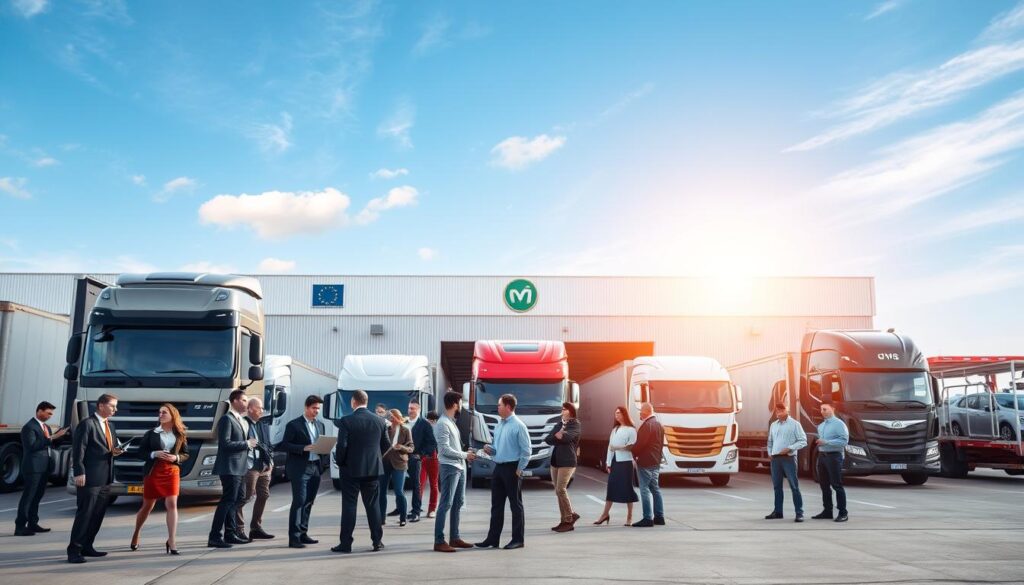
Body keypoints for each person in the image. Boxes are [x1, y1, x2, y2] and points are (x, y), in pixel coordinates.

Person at [67, 393, 124, 564]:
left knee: (97, 515)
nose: (116, 409)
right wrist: (79, 472)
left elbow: (110, 448)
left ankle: (87, 546)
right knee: (85, 514)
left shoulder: (110, 426)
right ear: (100, 405)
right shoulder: (87, 424)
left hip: (105, 478)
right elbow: (78, 450)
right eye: (113, 406)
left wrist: (117, 451)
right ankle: (74, 550)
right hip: (89, 478)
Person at [332, 389, 389, 553]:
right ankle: (377, 541)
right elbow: (386, 445)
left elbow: (341, 445)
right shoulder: (379, 421)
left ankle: (346, 543)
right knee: (373, 506)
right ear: (367, 401)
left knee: (349, 506)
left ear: (353, 402)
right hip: (372, 469)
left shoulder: (346, 421)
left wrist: (340, 462)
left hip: (350, 470)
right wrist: (375, 458)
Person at [130, 403, 190, 555]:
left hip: (172, 471)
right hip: (153, 471)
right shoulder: (151, 433)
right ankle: (136, 533)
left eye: (164, 412)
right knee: (147, 506)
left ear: (172, 415)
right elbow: (140, 453)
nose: (161, 414)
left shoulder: (180, 434)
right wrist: (153, 454)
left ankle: (172, 540)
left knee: (172, 503)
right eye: (160, 412)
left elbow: (185, 454)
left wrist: (175, 457)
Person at [475, 393, 531, 550]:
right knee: (496, 505)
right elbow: (496, 448)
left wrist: (520, 469)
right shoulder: (499, 425)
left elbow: (526, 451)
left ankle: (518, 539)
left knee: (515, 505)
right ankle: (493, 539)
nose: (497, 407)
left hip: (513, 468)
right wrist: (489, 449)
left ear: (508, 406)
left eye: (499, 405)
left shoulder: (519, 426)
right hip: (498, 467)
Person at [208, 390, 258, 548]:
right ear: (234, 401)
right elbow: (225, 444)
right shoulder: (226, 420)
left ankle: (230, 533)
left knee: (237, 500)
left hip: (241, 467)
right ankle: (215, 536)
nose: (246, 403)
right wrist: (246, 444)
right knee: (227, 501)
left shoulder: (242, 421)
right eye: (243, 400)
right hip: (229, 467)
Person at [15, 401, 68, 536]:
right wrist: (52, 437)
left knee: (37, 496)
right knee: (29, 496)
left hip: (44, 466)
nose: (50, 416)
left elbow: (50, 444)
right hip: (33, 467)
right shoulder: (29, 427)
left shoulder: (46, 427)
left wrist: (60, 436)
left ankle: (33, 523)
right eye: (48, 413)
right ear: (39, 411)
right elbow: (32, 446)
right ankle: (20, 526)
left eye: (51, 414)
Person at [433, 391, 476, 553]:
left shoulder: (450, 422)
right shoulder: (443, 423)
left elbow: (454, 447)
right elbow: (444, 450)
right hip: (450, 467)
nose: (461, 407)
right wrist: (465, 455)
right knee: (446, 504)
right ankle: (439, 541)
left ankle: (455, 538)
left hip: (458, 467)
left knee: (457, 504)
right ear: (454, 404)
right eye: (459, 403)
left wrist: (467, 452)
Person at [283, 395, 328, 548]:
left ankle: (303, 533)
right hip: (300, 468)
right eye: (314, 408)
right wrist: (302, 448)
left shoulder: (320, 425)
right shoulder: (293, 425)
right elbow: (285, 445)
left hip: (315, 467)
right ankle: (293, 537)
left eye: (318, 409)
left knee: (309, 502)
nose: (317, 411)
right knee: (299, 501)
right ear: (306, 407)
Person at [236, 397, 275, 540]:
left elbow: (269, 444)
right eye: (259, 408)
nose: (262, 411)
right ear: (251, 408)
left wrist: (271, 460)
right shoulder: (242, 423)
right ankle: (238, 529)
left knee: (264, 495)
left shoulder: (263, 425)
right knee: (245, 496)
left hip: (264, 465)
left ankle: (256, 527)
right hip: (250, 466)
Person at [594, 406, 638, 527]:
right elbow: (610, 447)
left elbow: (631, 447)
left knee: (627, 489)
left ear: (624, 414)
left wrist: (617, 448)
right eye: (615, 413)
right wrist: (608, 463)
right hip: (615, 462)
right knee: (611, 488)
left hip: (626, 463)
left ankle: (629, 517)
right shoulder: (615, 429)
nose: (617, 415)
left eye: (619, 413)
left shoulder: (631, 429)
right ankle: (605, 515)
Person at [764, 402, 808, 522]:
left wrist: (790, 448)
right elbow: (770, 441)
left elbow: (803, 441)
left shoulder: (795, 424)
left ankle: (799, 513)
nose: (778, 413)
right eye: (777, 411)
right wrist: (770, 452)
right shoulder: (774, 425)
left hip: (788, 458)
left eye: (781, 410)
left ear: (786, 410)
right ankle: (778, 512)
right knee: (777, 487)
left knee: (794, 486)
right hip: (775, 459)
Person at [544, 401, 581, 533]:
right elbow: (548, 439)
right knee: (558, 491)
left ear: (571, 411)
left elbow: (566, 437)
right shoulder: (559, 424)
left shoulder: (575, 424)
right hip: (556, 461)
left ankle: (568, 519)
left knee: (561, 489)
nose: (562, 411)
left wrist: (559, 435)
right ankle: (565, 519)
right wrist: (558, 434)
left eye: (565, 409)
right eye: (562, 409)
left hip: (568, 461)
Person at [813, 403, 849, 523]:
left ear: (832, 409)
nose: (822, 411)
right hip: (822, 457)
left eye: (825, 409)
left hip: (834, 457)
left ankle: (843, 513)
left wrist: (826, 442)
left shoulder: (839, 424)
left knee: (836, 485)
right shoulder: (821, 426)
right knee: (824, 485)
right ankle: (827, 511)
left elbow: (844, 441)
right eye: (821, 409)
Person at [631, 402, 665, 527]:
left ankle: (647, 518)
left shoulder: (647, 426)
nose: (640, 414)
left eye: (641, 412)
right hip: (656, 462)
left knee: (644, 489)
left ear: (644, 412)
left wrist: (633, 453)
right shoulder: (659, 425)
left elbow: (640, 444)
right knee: (655, 489)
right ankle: (659, 517)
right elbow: (661, 445)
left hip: (645, 462)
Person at [382, 409, 414, 526]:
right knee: (382, 492)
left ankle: (403, 517)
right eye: (389, 416)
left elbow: (411, 448)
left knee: (399, 492)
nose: (390, 418)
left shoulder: (405, 430)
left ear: (397, 417)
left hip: (399, 463)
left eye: (392, 416)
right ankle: (381, 518)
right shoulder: (386, 429)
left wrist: (401, 447)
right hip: (385, 463)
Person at [406, 399, 436, 523]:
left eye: (413, 408)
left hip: (416, 458)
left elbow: (431, 443)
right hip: (402, 458)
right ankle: (404, 510)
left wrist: (421, 454)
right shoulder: (405, 422)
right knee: (402, 487)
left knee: (417, 485)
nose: (410, 410)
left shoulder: (424, 424)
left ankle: (416, 512)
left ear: (418, 409)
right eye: (409, 408)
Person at [421, 411, 441, 518]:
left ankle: (432, 509)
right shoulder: (422, 427)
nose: (431, 422)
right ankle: (417, 507)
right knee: (420, 483)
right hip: (423, 456)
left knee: (434, 484)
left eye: (433, 420)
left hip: (434, 457)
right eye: (429, 419)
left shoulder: (439, 428)